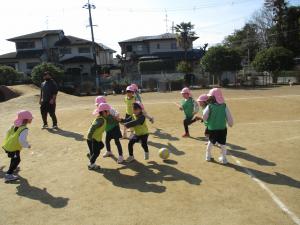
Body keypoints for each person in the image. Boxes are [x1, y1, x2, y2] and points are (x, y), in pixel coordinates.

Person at [202, 88, 233, 164]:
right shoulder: (224, 106)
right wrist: (230, 123)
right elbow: (229, 116)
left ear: (213, 97)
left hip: (212, 128)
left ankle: (208, 156)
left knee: (211, 142)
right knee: (223, 144)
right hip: (222, 128)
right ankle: (224, 159)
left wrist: (206, 120)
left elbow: (204, 116)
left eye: (211, 97)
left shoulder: (209, 106)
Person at [1, 110, 33, 182]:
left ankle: (13, 168)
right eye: (30, 118)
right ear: (26, 120)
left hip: (8, 145)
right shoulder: (24, 129)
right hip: (13, 148)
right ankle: (9, 174)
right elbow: (22, 140)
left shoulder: (14, 125)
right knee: (17, 160)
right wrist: (27, 145)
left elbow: (8, 132)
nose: (31, 119)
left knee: (14, 158)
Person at [94, 96, 124, 163]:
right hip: (108, 130)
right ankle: (109, 151)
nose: (97, 106)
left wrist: (116, 116)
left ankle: (121, 156)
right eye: (97, 104)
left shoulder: (109, 109)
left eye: (98, 104)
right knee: (107, 141)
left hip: (115, 128)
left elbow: (117, 113)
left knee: (117, 142)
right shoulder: (100, 111)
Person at [86, 103, 110, 170]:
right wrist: (90, 136)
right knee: (96, 152)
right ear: (103, 112)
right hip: (93, 139)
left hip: (96, 138)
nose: (109, 112)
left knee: (101, 146)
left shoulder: (101, 118)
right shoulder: (101, 120)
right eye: (108, 110)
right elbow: (93, 127)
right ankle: (91, 164)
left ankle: (91, 156)